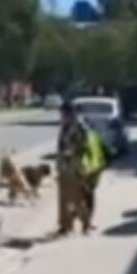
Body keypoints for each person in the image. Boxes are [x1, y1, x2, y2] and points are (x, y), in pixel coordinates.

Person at [56, 100, 93, 235]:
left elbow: (84, 146)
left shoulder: (79, 126)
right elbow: (61, 146)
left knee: (75, 197)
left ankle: (86, 221)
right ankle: (65, 225)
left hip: (75, 166)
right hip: (64, 166)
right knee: (63, 198)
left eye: (63, 113)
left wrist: (72, 152)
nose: (61, 116)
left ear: (70, 113)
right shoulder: (65, 126)